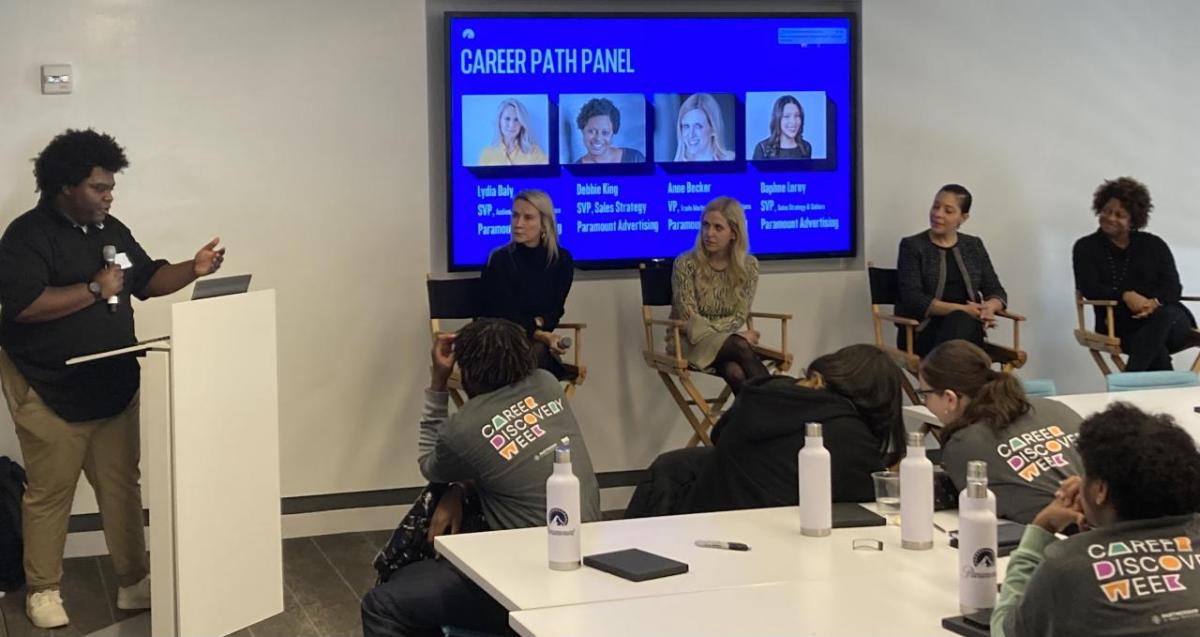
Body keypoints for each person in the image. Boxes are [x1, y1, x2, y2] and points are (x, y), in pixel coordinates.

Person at [0, 129, 225, 629]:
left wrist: (195, 267)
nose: (109, 195)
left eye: (110, 186)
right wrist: (93, 289)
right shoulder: (25, 237)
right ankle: (43, 589)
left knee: (121, 487)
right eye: (99, 187)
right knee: (49, 492)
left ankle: (133, 581)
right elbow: (24, 308)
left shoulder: (110, 229)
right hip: (48, 388)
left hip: (113, 385)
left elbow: (145, 279)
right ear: (65, 186)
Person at [361, 318, 600, 637]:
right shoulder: (547, 384)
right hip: (587, 564)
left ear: (467, 369)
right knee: (418, 582)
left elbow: (429, 465)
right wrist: (459, 490)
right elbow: (505, 465)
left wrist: (438, 382)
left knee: (383, 604)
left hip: (526, 585)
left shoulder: (463, 429)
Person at [991, 402, 1200, 637]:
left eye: (1085, 474)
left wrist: (1042, 527)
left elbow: (1005, 631)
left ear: (1100, 490)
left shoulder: (1067, 566)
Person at [625, 344, 906, 518]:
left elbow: (719, 437)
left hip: (705, 515)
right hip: (775, 545)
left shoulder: (763, 392)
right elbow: (871, 498)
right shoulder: (850, 437)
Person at [919, 340, 1083, 525]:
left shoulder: (963, 444)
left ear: (950, 398)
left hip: (1058, 535)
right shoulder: (1053, 407)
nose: (925, 403)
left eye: (925, 395)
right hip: (1112, 517)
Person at [1072, 177, 1198, 371]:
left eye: (1119, 214)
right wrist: (1126, 296)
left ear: (1133, 220)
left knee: (1165, 315)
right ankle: (1163, 391)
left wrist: (1153, 303)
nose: (1110, 218)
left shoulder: (1154, 245)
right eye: (1106, 211)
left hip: (1173, 323)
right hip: (1119, 325)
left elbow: (1173, 287)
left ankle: (1129, 381)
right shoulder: (1085, 247)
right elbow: (1090, 287)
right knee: (1156, 351)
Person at [896, 184, 1007, 356]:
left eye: (948, 211)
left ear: (963, 217)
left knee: (964, 325)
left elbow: (995, 290)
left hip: (968, 330)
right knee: (962, 322)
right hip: (922, 331)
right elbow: (914, 299)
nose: (938, 214)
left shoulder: (973, 246)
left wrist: (989, 308)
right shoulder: (912, 246)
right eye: (935, 206)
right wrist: (963, 310)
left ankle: (947, 378)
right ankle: (959, 377)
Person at [669, 196, 764, 394]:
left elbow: (739, 316)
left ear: (734, 233)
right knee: (740, 346)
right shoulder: (685, 264)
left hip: (725, 345)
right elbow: (690, 323)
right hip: (688, 343)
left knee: (735, 373)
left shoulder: (749, 266)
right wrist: (734, 336)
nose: (709, 233)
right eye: (705, 225)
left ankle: (754, 422)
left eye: (718, 228)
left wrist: (729, 335)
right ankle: (784, 404)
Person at [480, 190, 575, 379]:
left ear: (544, 224)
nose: (518, 224)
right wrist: (540, 331)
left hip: (534, 345)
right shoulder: (500, 259)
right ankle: (532, 406)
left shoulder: (561, 260)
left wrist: (538, 327)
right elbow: (504, 313)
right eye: (515, 215)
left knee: (536, 354)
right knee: (534, 355)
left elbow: (554, 311)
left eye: (528, 218)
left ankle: (527, 406)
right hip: (498, 340)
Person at [476, 98, 548, 166]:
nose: (512, 125)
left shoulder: (535, 152)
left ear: (522, 124)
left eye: (517, 120)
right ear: (499, 121)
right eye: (507, 118)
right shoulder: (486, 154)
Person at [572, 97, 645, 164]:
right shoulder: (574, 169)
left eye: (605, 132)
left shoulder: (635, 159)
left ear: (613, 134)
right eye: (591, 131)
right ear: (582, 131)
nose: (598, 138)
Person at [674, 93, 735, 162]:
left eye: (698, 126)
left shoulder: (731, 159)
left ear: (713, 129)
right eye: (686, 126)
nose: (691, 134)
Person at [751, 95, 812, 160]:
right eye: (786, 116)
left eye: (797, 116)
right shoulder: (762, 149)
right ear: (777, 119)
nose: (793, 122)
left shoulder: (806, 147)